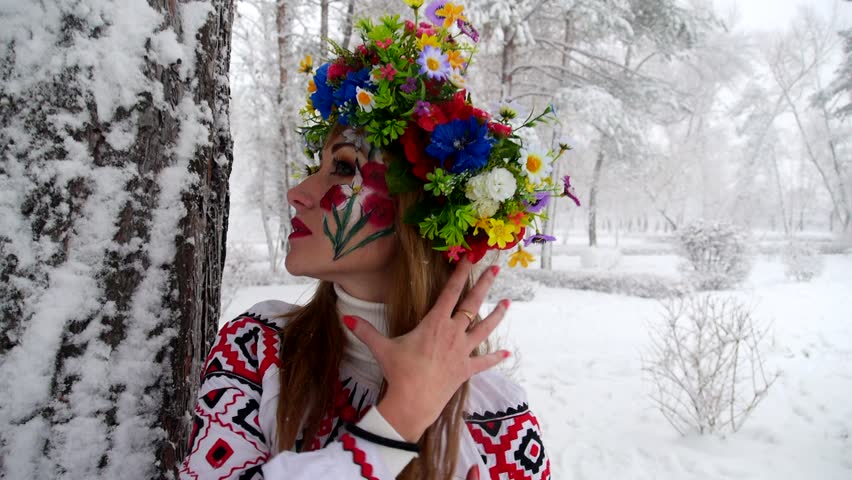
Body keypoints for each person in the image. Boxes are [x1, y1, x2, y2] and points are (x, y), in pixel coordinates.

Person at [180, 1, 578, 478]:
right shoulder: (260, 350)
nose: (298, 192)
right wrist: (397, 424)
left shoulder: (497, 419)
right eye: (319, 166)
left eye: (344, 167)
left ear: (419, 211)